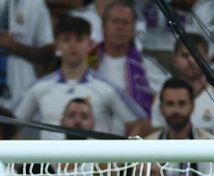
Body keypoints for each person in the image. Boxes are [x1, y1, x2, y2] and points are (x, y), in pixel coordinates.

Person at [13, 16, 146, 139]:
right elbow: (11, 124)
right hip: (52, 164)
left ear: (90, 44)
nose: (73, 45)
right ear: (57, 45)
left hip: (95, 163)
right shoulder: (39, 88)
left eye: (79, 39)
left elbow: (141, 123)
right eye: (66, 39)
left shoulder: (107, 88)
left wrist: (122, 159)